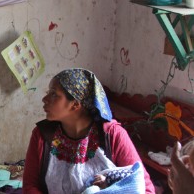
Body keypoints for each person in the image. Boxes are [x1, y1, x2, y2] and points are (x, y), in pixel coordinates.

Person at [22, 68, 155, 193]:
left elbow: (144, 186)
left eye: (53, 94)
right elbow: (30, 186)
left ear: (75, 104)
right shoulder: (42, 135)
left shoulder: (112, 134)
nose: (44, 100)